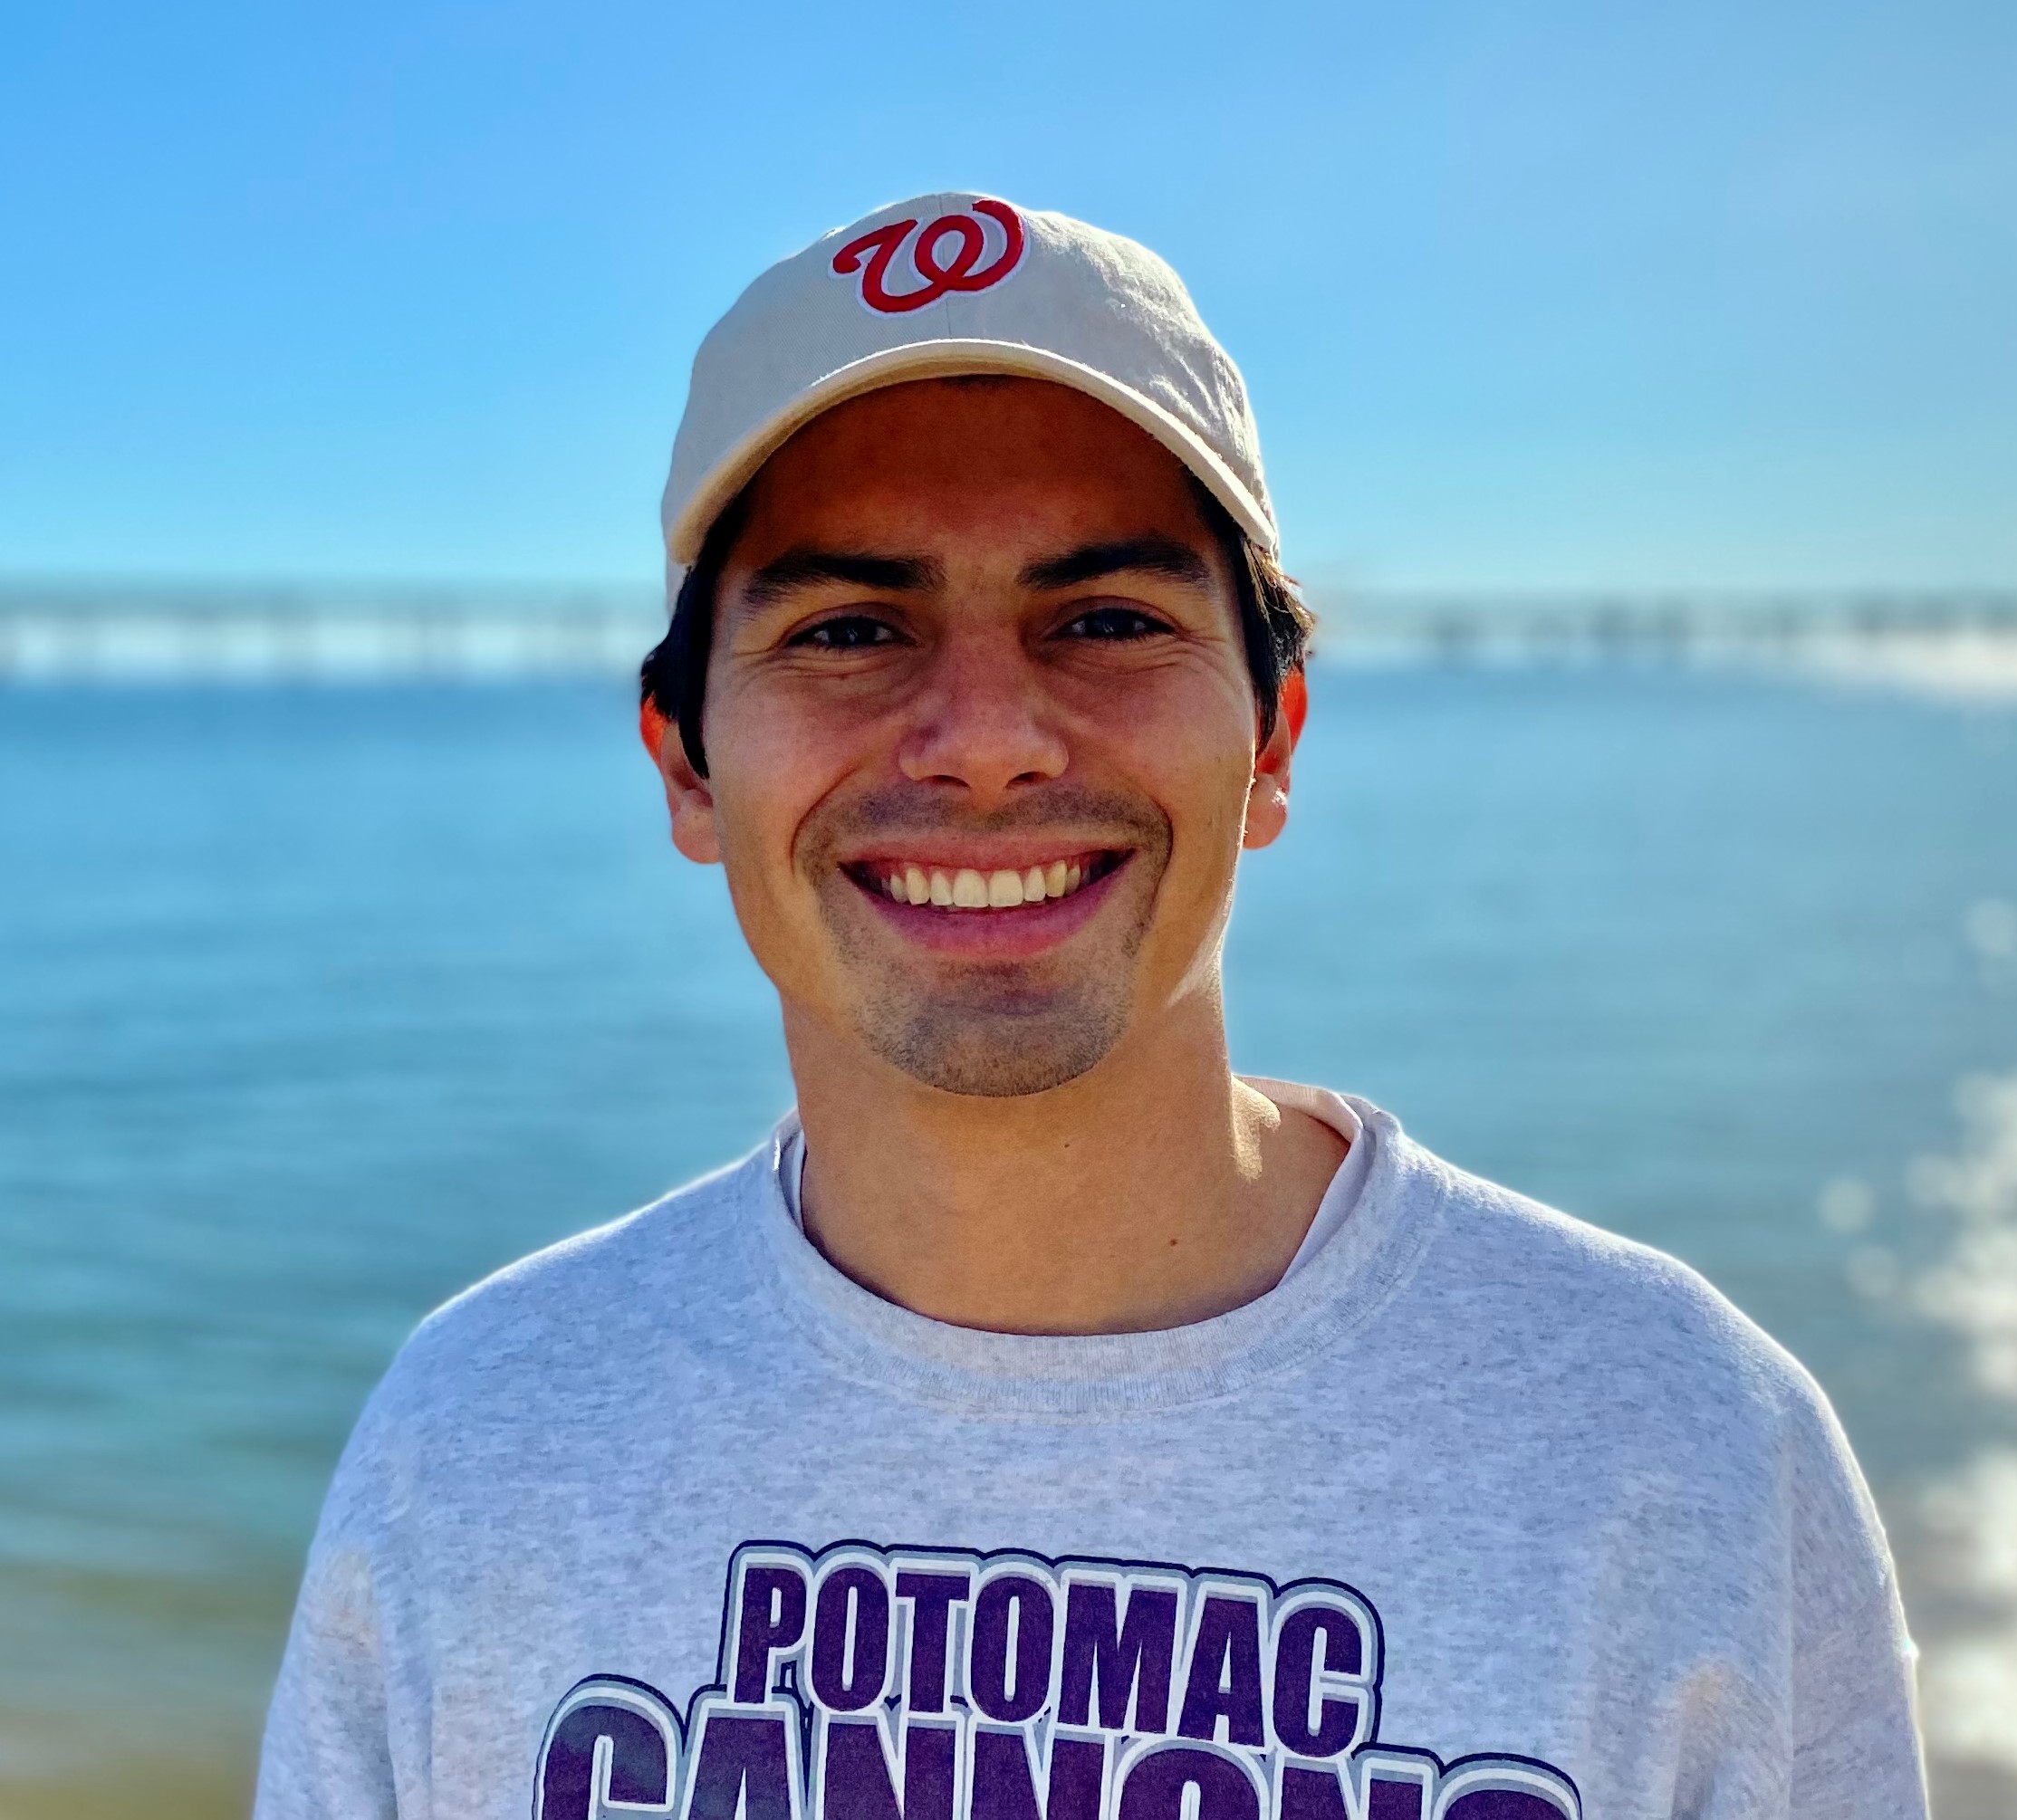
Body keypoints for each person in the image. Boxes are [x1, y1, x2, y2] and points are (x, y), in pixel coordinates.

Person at [256, 195, 1927, 1820]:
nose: (987, 740)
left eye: (1109, 620)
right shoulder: (482, 1432)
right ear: (686, 766)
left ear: (1271, 742)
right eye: (850, 628)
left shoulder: (1674, 1441)